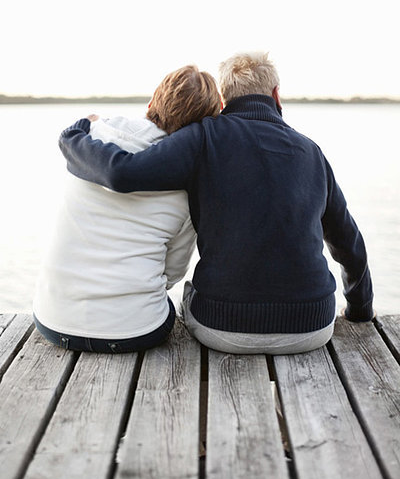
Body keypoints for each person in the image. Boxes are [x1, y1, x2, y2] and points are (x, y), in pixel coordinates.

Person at [58, 52, 374, 355]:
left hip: (222, 328)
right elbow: (349, 243)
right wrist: (359, 310)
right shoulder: (312, 153)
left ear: (223, 101)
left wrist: (73, 137)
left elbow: (122, 173)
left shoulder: (202, 137)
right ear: (276, 95)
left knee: (190, 291)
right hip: (313, 327)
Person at [33, 65, 221, 353]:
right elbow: (172, 273)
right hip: (134, 331)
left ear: (151, 102)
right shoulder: (188, 183)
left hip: (52, 320)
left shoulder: (92, 140)